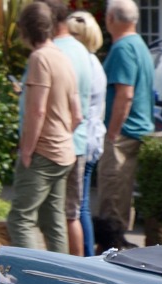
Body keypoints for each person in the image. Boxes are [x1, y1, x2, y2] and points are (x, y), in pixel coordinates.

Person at [7, 1, 81, 254]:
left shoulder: (40, 58)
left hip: (43, 153)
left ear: (25, 29)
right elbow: (77, 114)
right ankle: (60, 282)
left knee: (20, 219)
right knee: (53, 221)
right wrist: (62, 134)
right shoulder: (63, 57)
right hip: (64, 152)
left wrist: (27, 151)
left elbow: (36, 111)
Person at [97, 0, 153, 231]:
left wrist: (112, 133)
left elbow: (125, 94)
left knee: (113, 199)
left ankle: (113, 253)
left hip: (124, 133)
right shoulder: (139, 44)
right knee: (122, 197)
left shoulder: (123, 48)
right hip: (136, 129)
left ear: (110, 19)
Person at [47, 0, 94, 256]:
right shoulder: (82, 52)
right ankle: (78, 272)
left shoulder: (52, 51)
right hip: (77, 141)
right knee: (71, 214)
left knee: (55, 216)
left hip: (55, 144)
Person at [66, 10, 106, 255]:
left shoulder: (81, 64)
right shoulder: (94, 63)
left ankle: (85, 260)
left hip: (82, 141)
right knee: (82, 206)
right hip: (92, 140)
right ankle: (86, 257)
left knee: (77, 208)